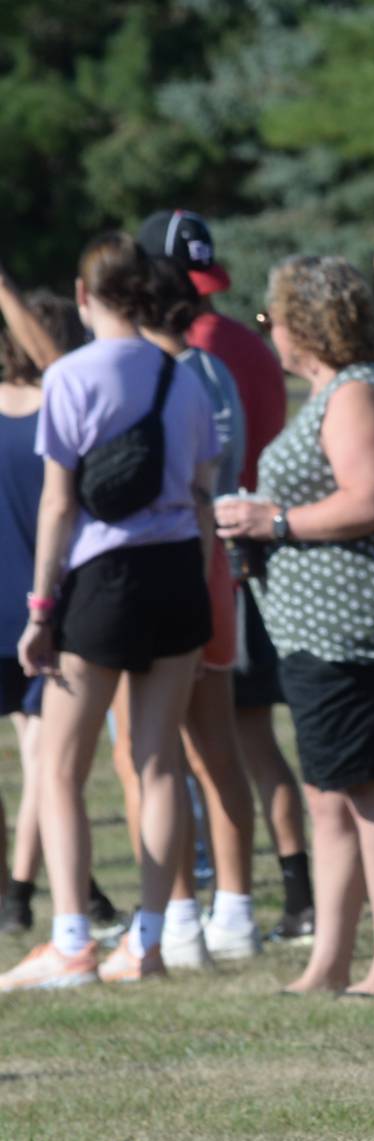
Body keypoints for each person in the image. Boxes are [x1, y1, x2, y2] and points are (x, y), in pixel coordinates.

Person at [215, 256, 374, 997]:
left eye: (272, 318)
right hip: (332, 632)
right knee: (332, 795)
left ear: (308, 324)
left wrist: (271, 519)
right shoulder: (342, 390)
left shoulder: (355, 393)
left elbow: (372, 499)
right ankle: (332, 961)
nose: (270, 332)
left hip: (363, 630)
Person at [0, 232, 218, 990]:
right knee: (158, 763)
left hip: (104, 578)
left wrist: (38, 609)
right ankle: (148, 942)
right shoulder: (181, 375)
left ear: (85, 296)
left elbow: (60, 505)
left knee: (59, 767)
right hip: (178, 574)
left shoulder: (72, 376)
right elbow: (201, 490)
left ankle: (70, 941)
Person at [137, 207, 315, 945]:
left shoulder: (185, 356)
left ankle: (230, 896)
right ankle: (286, 890)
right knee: (246, 739)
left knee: (200, 747)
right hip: (243, 556)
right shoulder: (240, 340)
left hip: (212, 553)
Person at [108, 254, 260, 968]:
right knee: (213, 746)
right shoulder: (211, 372)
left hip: (154, 572)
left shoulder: (133, 373)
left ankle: (174, 918)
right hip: (213, 573)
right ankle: (234, 911)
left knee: (146, 756)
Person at [0, 281, 111, 937]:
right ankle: (17, 894)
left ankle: (44, 889)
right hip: (41, 605)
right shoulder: (63, 414)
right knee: (44, 759)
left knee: (32, 751)